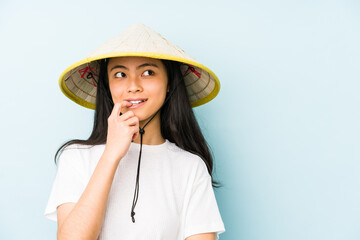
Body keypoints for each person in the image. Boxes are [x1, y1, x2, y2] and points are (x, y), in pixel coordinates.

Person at [44, 23, 226, 240]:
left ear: (169, 83)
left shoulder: (190, 167)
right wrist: (111, 154)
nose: (133, 86)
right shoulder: (76, 158)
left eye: (148, 72)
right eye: (120, 74)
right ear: (108, 85)